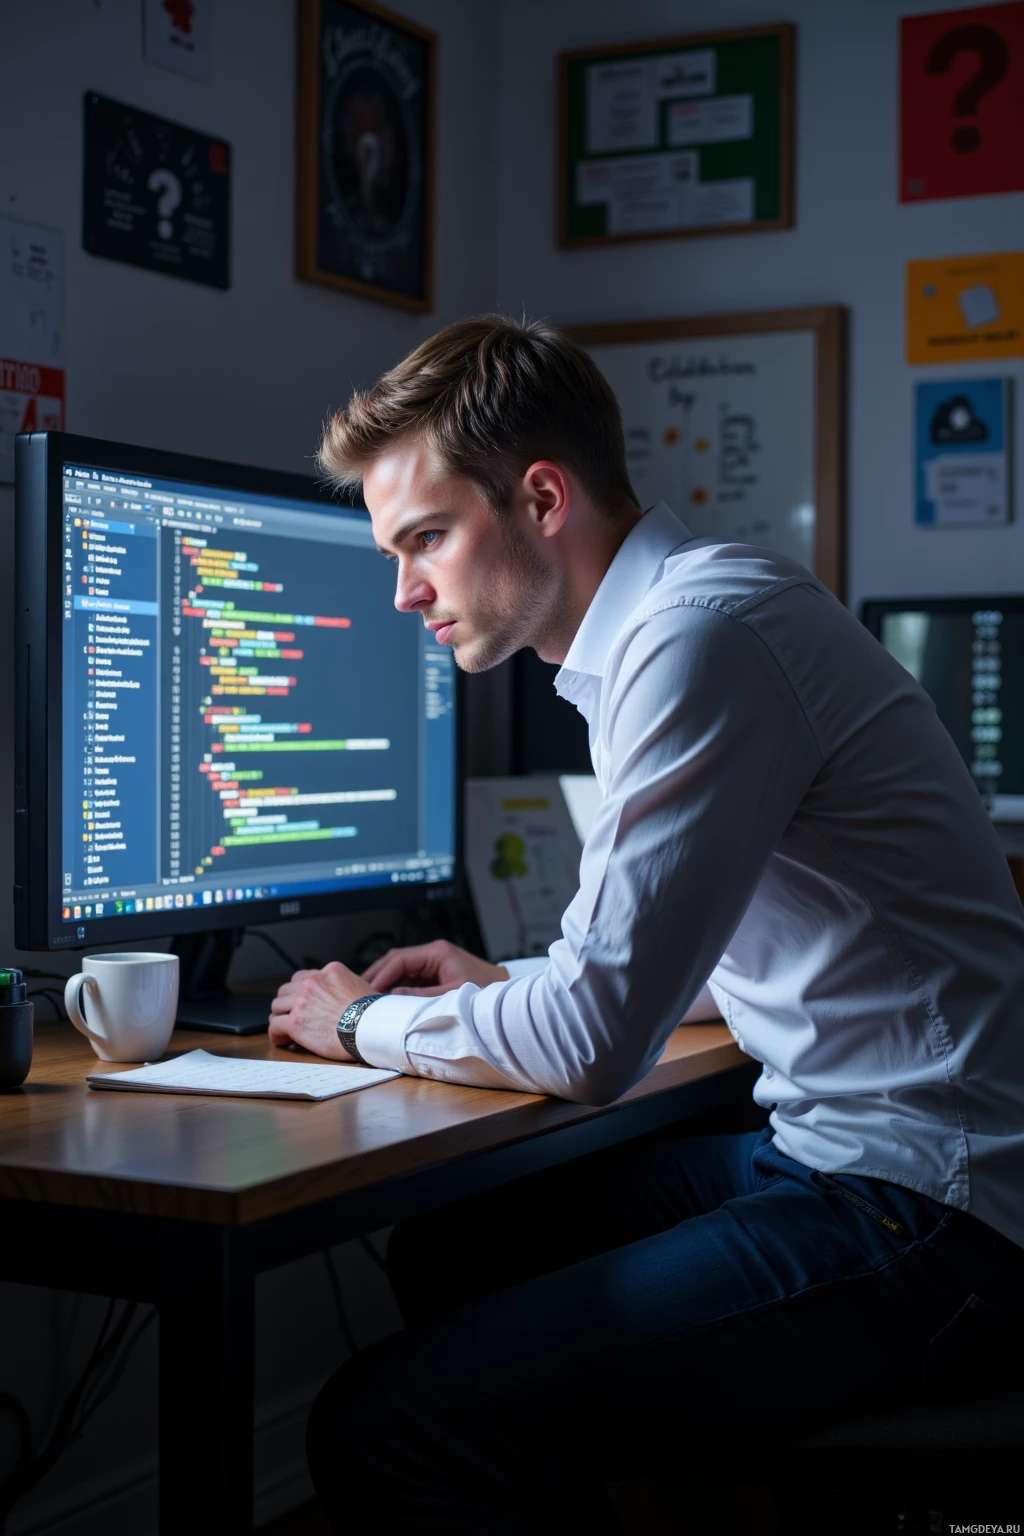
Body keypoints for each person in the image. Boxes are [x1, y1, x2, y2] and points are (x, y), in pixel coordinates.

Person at [269, 316, 1024, 1534]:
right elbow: (728, 967)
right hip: (866, 1155)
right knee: (454, 1247)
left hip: (930, 1211)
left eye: (424, 540)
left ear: (542, 498)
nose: (404, 590)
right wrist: (498, 980)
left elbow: (593, 1044)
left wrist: (363, 1021)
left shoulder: (697, 637)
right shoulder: (681, 622)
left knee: (386, 1426)